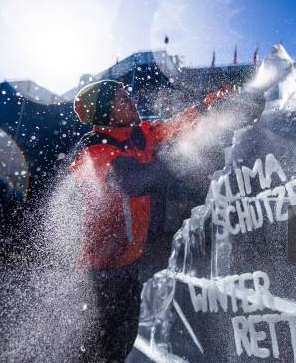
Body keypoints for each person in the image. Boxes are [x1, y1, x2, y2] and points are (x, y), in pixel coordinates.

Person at [69, 79, 217, 363]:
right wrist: (181, 161)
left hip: (131, 259)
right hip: (103, 269)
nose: (133, 102)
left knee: (124, 335)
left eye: (129, 96)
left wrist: (208, 106)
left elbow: (172, 126)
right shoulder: (93, 148)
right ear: (106, 113)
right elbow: (132, 181)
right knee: (100, 342)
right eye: (124, 100)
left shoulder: (136, 135)